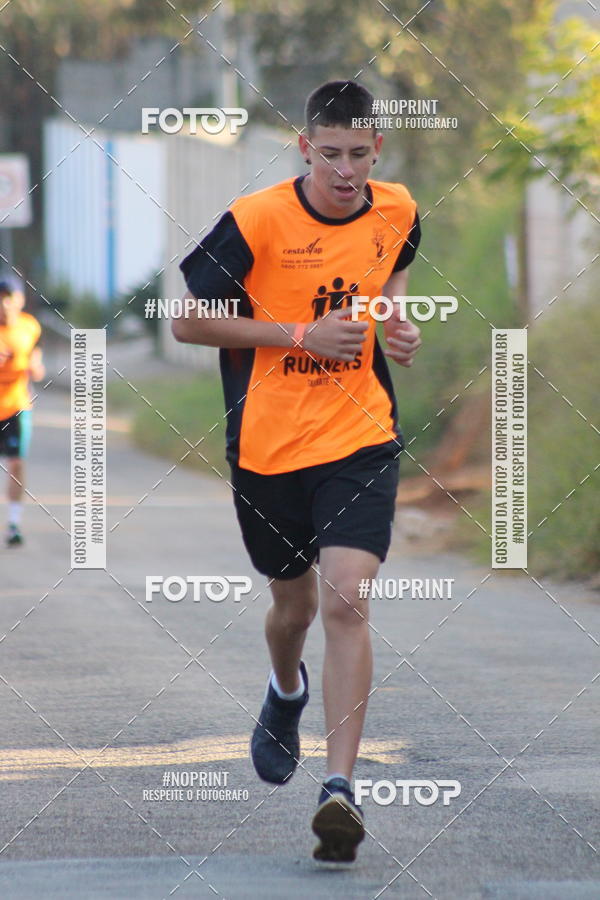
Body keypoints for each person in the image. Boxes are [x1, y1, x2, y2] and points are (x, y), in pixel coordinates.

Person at [173, 80, 422, 862]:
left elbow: (390, 274)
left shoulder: (398, 208)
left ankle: (339, 789)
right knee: (295, 607)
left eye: (359, 155)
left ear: (377, 148)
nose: (345, 171)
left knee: (346, 597)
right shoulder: (257, 219)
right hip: (268, 446)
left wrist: (396, 320)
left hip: (360, 434)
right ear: (305, 146)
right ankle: (286, 691)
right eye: (330, 154)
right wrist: (299, 334)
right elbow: (187, 321)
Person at [0, 278, 44, 547]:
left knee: (16, 463)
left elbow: (35, 359)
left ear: (20, 300)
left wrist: (35, 367)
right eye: (0, 298)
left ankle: (14, 523)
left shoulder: (30, 327)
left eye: (9, 297)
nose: (4, 303)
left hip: (16, 407)